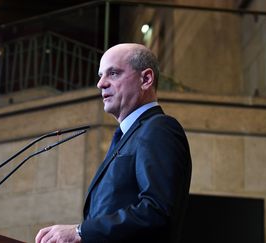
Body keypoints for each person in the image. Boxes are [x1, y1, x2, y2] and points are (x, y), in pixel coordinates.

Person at [35, 43, 192, 243]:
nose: (101, 84)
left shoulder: (159, 128)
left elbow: (157, 212)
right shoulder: (126, 136)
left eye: (113, 74)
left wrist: (80, 232)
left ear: (146, 79)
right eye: (100, 75)